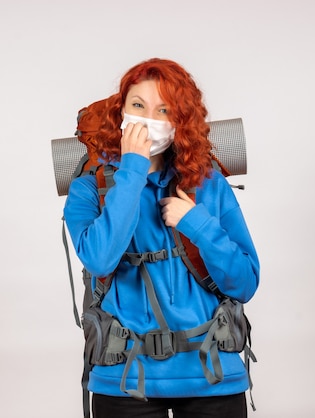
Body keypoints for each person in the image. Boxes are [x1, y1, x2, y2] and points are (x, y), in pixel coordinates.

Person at [63, 58, 260, 418]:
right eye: (138, 105)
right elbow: (100, 259)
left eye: (163, 109)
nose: (147, 118)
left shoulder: (207, 184)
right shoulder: (88, 190)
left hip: (212, 374)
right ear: (120, 111)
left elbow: (244, 283)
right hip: (124, 378)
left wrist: (196, 223)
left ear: (178, 122)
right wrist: (133, 168)